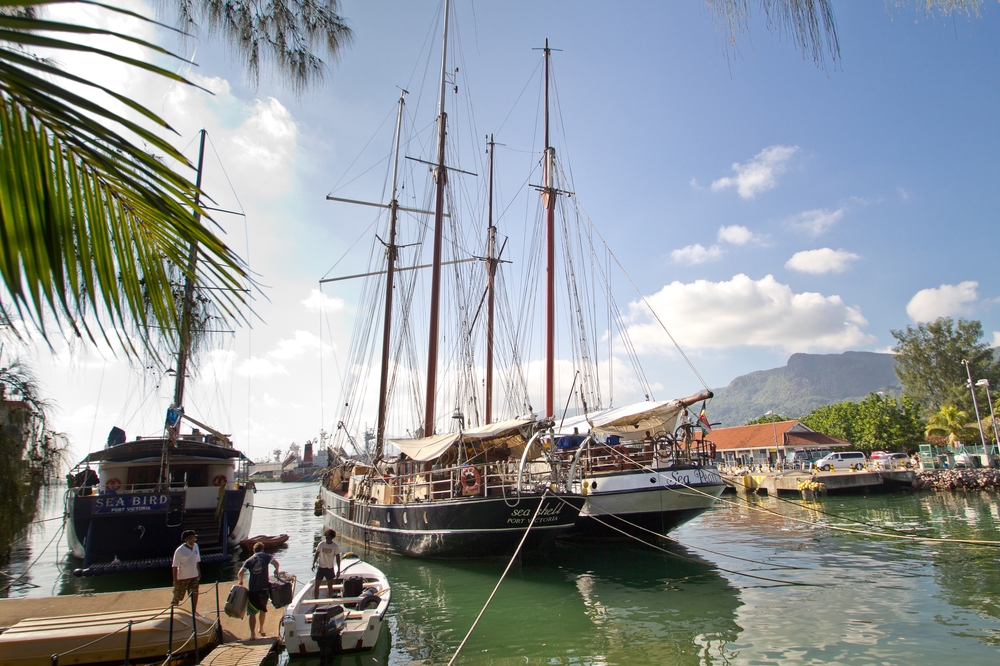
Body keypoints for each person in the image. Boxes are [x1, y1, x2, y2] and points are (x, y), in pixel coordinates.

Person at [238, 542, 280, 640]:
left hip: (253, 589)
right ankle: (261, 629)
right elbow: (276, 563)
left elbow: (240, 573)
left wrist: (240, 581)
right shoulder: (266, 556)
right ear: (262, 549)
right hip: (263, 588)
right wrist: (276, 570)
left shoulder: (249, 560)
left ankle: (252, 634)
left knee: (252, 612)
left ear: (253, 550)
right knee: (262, 609)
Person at [171, 530, 200, 613]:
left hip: (194, 576)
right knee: (177, 596)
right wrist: (175, 580)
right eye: (191, 538)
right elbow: (174, 566)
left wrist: (198, 572)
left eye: (194, 538)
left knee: (195, 593)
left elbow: (197, 561)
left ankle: (194, 611)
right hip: (182, 578)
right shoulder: (179, 551)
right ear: (186, 539)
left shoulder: (196, 547)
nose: (193, 540)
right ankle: (174, 612)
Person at [312, 529, 341, 598]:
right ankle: (316, 603)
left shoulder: (335, 546)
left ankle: (329, 602)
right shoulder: (321, 544)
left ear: (332, 538)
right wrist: (313, 563)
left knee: (330, 586)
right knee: (317, 586)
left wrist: (339, 569)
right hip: (321, 568)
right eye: (326, 537)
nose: (327, 539)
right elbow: (317, 553)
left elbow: (338, 558)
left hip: (329, 568)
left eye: (329, 538)